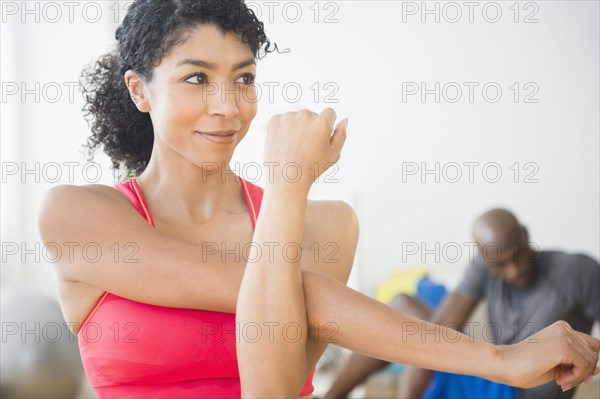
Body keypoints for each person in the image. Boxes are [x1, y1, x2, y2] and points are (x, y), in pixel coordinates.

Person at [36, 1, 599, 398]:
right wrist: (500, 359)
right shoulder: (78, 216)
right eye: (196, 79)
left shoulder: (325, 226)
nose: (228, 107)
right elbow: (290, 291)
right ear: (139, 90)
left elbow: (272, 390)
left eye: (244, 78)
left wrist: (286, 196)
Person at [323, 208, 600, 399]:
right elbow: (440, 329)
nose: (514, 270)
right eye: (500, 264)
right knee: (408, 308)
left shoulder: (577, 271)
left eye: (518, 255)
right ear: (483, 258)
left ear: (526, 236)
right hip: (497, 377)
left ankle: (332, 396)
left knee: (405, 308)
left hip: (518, 392)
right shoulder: (483, 266)